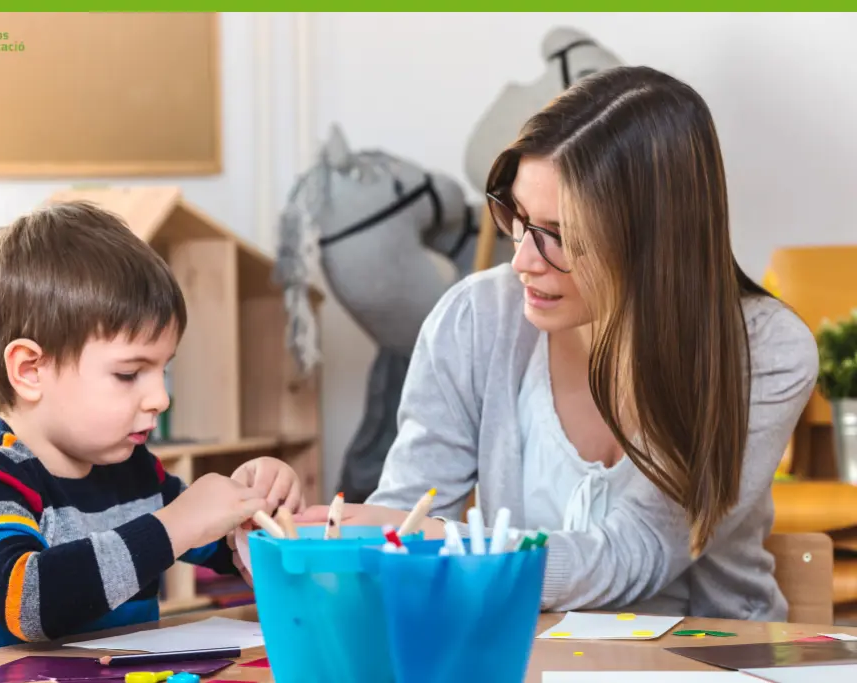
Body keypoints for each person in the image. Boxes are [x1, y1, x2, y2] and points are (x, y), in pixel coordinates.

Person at [296, 65, 818, 621]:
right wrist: (331, 545)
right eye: (517, 217)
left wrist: (455, 549)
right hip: (521, 652)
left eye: (560, 236)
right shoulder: (476, 317)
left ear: (655, 240)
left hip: (713, 658)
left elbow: (636, 552)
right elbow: (407, 516)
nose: (521, 259)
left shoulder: (764, 351)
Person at [0, 201, 304, 657]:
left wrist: (250, 515)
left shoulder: (135, 472)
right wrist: (177, 524)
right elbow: (28, 603)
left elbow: (219, 547)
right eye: (129, 374)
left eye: (164, 371)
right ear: (30, 371)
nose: (160, 399)